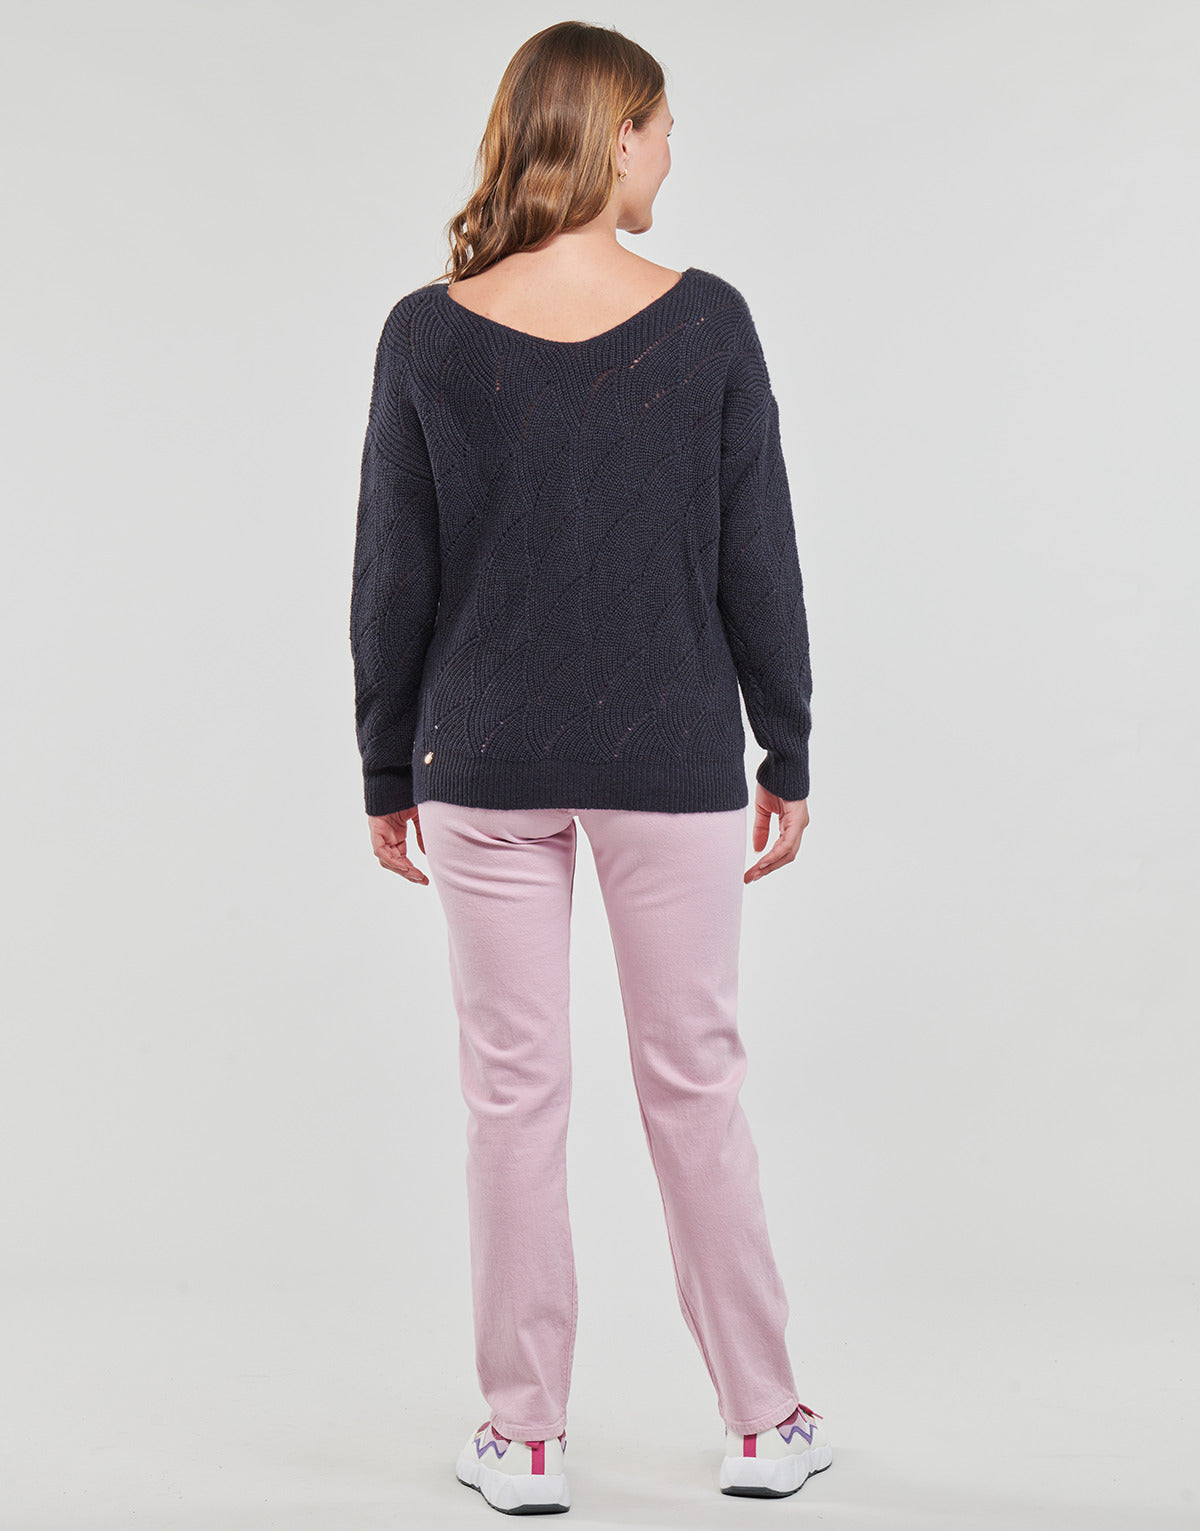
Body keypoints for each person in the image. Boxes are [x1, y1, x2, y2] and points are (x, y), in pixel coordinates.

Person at [348, 19, 833, 1515]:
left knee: (513, 1101)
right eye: (663, 126)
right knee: (696, 1087)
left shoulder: (428, 333)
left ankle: (524, 1440)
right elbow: (759, 555)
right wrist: (787, 737)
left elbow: (391, 576)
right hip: (672, 755)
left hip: (478, 759)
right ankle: (765, 1422)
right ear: (615, 133)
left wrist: (384, 767)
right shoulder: (709, 323)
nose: (673, 153)